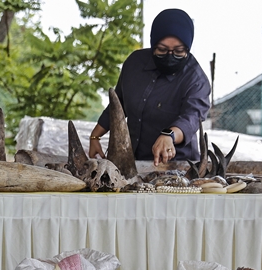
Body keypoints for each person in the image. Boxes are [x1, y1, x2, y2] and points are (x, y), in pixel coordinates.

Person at [89, 8, 211, 166]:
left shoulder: (196, 80)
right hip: (131, 162)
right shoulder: (134, 64)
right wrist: (95, 136)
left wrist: (169, 135)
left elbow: (192, 118)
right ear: (153, 44)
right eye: (162, 49)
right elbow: (117, 105)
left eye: (179, 51)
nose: (170, 56)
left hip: (178, 166)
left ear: (188, 48)